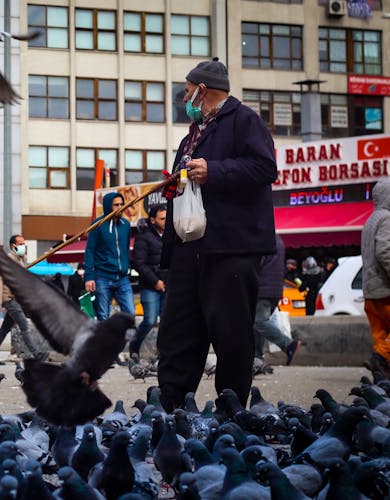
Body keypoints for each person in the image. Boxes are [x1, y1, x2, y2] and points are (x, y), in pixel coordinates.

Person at [157, 58, 277, 412]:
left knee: (231, 334)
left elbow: (265, 167)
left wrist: (216, 170)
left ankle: (231, 410)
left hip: (231, 249)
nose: (184, 98)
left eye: (186, 91)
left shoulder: (245, 121)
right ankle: (171, 408)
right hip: (188, 249)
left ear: (202, 90)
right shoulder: (189, 137)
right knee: (178, 331)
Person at [0, 234, 47, 365]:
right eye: (20, 244)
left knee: (5, 328)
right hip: (9, 298)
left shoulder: (19, 260)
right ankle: (37, 354)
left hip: (16, 298)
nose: (23, 246)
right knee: (24, 324)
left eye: (23, 243)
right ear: (12, 246)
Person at [84, 192, 135, 321]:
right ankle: (104, 341)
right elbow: (90, 250)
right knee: (103, 317)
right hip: (102, 277)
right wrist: (89, 277)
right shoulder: (97, 225)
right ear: (108, 206)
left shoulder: (126, 225)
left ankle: (121, 341)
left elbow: (125, 249)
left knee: (130, 314)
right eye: (116, 205)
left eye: (122, 204)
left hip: (122, 277)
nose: (120, 207)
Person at [253, 235, 299, 370]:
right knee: (257, 324)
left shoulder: (262, 240)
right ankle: (258, 358)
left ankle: (287, 344)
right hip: (275, 290)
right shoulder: (278, 240)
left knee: (259, 322)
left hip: (263, 289)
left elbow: (257, 264)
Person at [129, 204, 167, 357]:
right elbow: (139, 263)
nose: (166, 221)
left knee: (167, 322)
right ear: (152, 220)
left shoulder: (172, 235)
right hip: (150, 286)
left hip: (168, 285)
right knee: (150, 320)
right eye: (162, 218)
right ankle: (134, 346)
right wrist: (155, 281)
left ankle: (162, 354)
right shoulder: (143, 237)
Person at [362, 178, 390, 379]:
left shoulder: (370, 220)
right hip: (384, 288)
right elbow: (385, 251)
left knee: (380, 335)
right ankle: (380, 358)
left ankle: (381, 377)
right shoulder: (387, 219)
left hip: (370, 290)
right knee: (383, 346)